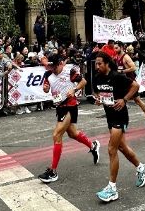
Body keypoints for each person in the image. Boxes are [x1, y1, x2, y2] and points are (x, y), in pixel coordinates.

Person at [92, 52, 145, 203]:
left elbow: (136, 86)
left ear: (107, 64)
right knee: (122, 148)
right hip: (110, 117)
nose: (97, 66)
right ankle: (141, 167)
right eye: (96, 63)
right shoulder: (97, 78)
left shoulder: (117, 76)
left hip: (120, 116)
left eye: (99, 63)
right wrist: (98, 99)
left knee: (112, 149)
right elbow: (97, 93)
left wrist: (124, 99)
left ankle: (112, 189)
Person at [37, 53, 100, 183]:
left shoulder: (69, 72)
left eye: (55, 66)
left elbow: (84, 81)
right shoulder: (48, 74)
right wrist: (45, 88)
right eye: (51, 66)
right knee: (72, 134)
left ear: (61, 63)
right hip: (59, 107)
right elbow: (45, 88)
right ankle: (92, 146)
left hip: (70, 105)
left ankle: (53, 171)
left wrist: (75, 89)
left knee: (57, 134)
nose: (53, 69)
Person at [114, 42, 145, 129]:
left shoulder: (126, 57)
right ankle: (123, 122)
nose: (115, 50)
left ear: (121, 47)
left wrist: (122, 71)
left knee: (137, 100)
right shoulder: (116, 57)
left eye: (116, 48)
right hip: (122, 83)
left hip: (130, 83)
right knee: (121, 102)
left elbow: (133, 68)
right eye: (114, 48)